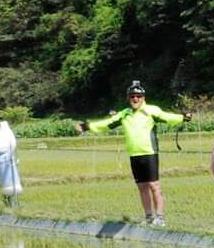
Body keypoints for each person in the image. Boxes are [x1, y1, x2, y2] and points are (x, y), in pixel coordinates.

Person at [77, 81, 188, 225]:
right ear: (128, 99)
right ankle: (148, 216)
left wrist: (183, 117)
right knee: (142, 186)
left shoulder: (151, 111)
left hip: (149, 153)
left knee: (154, 185)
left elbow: (167, 117)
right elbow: (106, 123)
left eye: (138, 96)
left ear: (143, 98)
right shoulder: (124, 114)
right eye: (132, 97)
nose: (135, 99)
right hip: (134, 154)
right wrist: (87, 126)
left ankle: (160, 217)